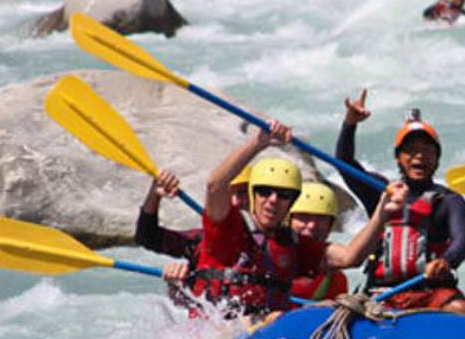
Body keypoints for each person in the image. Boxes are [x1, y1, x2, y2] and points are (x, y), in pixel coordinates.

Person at [164, 122, 406, 320]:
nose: (272, 200)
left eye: (283, 195)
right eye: (265, 192)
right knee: (266, 319)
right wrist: (257, 144)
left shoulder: (294, 245)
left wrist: (382, 213)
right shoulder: (227, 228)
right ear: (253, 194)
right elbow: (215, 186)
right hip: (219, 330)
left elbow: (349, 257)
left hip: (266, 329)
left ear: (291, 203)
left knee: (294, 315)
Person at [336, 91, 465, 313]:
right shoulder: (382, 193)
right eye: (411, 150)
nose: (419, 156)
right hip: (382, 292)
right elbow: (343, 162)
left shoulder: (449, 201)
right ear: (399, 158)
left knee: (460, 308)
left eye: (427, 150)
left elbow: (462, 241)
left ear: (437, 158)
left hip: (430, 291)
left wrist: (446, 262)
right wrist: (350, 123)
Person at [288, 182, 350, 301]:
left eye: (321, 219)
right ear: (289, 220)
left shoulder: (336, 279)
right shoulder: (267, 259)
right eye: (303, 217)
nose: (312, 225)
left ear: (330, 225)